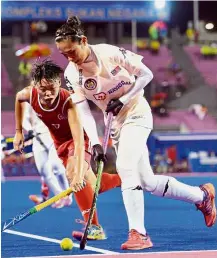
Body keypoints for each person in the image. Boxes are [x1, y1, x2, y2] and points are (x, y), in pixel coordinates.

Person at [55, 16, 216, 250]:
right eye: (64, 54)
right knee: (148, 182)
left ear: (83, 40)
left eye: (71, 51)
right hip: (117, 124)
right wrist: (97, 143)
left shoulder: (110, 53)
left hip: (137, 112)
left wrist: (123, 99)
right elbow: (84, 111)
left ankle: (138, 234)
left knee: (126, 167)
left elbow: (146, 75)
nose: (69, 58)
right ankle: (202, 197)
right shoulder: (72, 74)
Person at [13, 60, 121, 241]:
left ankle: (94, 228)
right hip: (59, 145)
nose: (48, 94)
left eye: (52, 88)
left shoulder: (68, 102)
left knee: (73, 175)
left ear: (59, 83)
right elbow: (18, 98)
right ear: (35, 85)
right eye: (42, 89)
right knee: (96, 186)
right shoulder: (28, 94)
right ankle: (124, 178)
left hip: (77, 140)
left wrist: (77, 173)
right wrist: (18, 132)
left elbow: (78, 142)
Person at [22, 102, 72, 208]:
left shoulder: (55, 98)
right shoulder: (30, 101)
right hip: (37, 138)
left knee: (56, 167)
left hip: (54, 136)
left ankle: (68, 196)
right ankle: (60, 196)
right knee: (44, 171)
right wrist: (30, 130)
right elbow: (24, 119)